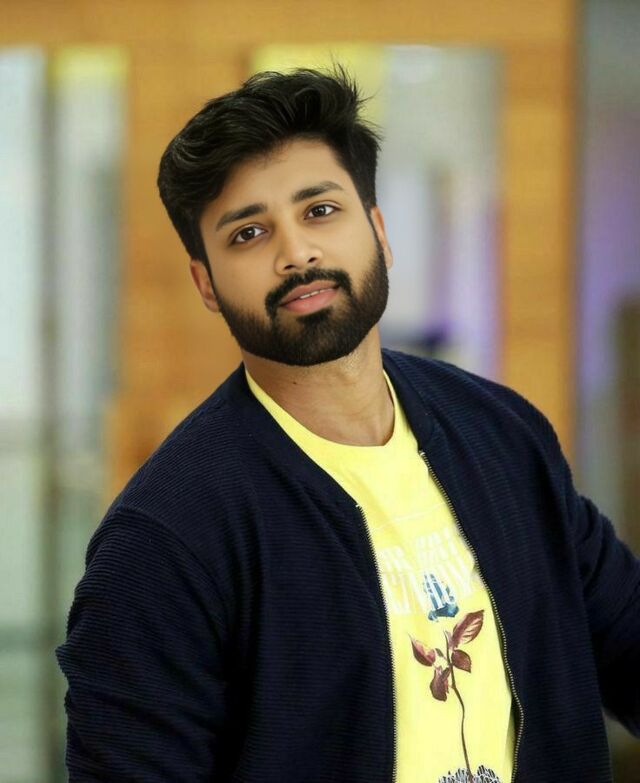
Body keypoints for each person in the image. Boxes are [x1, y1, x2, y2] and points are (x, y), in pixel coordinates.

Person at [55, 65, 639, 783]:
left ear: (379, 232)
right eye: (249, 232)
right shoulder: (165, 538)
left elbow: (627, 636)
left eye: (321, 210)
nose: (296, 253)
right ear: (206, 282)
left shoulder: (502, 435)